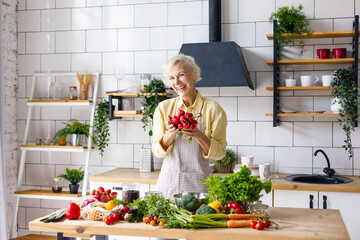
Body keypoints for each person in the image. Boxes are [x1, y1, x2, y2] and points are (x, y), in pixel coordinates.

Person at [152, 54, 227, 199]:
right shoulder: (163, 108)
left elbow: (220, 153)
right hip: (169, 184)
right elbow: (157, 151)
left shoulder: (212, 109)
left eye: (181, 75)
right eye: (172, 78)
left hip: (201, 187)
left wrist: (198, 135)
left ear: (194, 74)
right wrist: (170, 134)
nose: (177, 82)